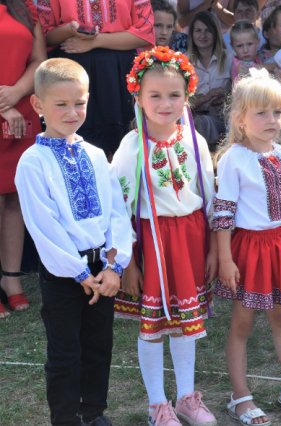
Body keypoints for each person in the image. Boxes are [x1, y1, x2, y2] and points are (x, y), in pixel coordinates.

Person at [15, 58, 132, 426]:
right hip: (65, 273)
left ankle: (93, 412)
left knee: (99, 347)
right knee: (66, 354)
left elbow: (116, 212)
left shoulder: (96, 155)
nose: (71, 112)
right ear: (38, 105)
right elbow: (43, 225)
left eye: (79, 103)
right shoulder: (32, 162)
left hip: (103, 270)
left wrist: (115, 265)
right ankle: (65, 419)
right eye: (60, 104)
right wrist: (78, 271)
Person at [112, 46, 217, 426]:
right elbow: (119, 209)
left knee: (185, 322)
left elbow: (208, 196)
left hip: (190, 238)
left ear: (187, 96)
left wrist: (213, 249)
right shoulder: (131, 147)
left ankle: (187, 396)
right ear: (137, 96)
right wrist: (126, 262)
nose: (165, 103)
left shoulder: (196, 140)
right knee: (154, 325)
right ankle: (158, 403)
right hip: (151, 242)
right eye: (154, 95)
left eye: (174, 95)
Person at [211, 68, 281, 425]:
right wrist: (226, 260)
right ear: (240, 119)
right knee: (242, 322)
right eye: (261, 113)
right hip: (250, 249)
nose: (271, 120)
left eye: (276, 112)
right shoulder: (233, 160)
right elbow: (223, 215)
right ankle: (240, 397)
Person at [36, 0, 154, 157]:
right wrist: (69, 29)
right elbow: (44, 36)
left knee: (123, 148)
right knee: (72, 148)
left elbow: (145, 33)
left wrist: (96, 42)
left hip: (117, 76)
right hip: (70, 74)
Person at [0, 0, 46, 317]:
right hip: (7, 109)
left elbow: (39, 60)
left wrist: (15, 94)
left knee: (15, 196)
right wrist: (3, 105)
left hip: (22, 112)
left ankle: (11, 280)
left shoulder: (24, 7)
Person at [188, 11, 232, 149]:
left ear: (216, 33)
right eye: (198, 30)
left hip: (223, 119)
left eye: (208, 30)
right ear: (192, 34)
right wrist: (206, 97)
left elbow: (239, 93)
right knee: (199, 123)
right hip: (193, 120)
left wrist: (226, 98)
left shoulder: (230, 58)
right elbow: (180, 101)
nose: (203, 35)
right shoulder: (183, 61)